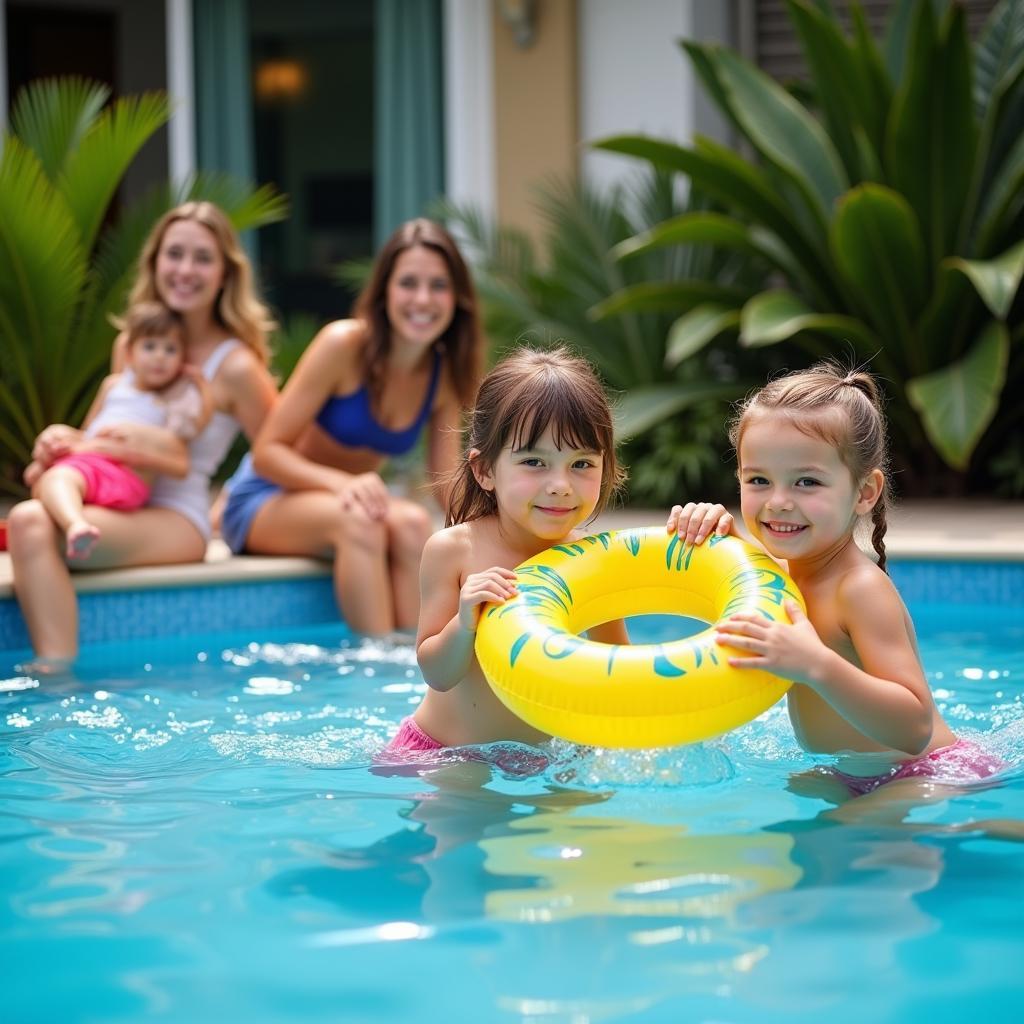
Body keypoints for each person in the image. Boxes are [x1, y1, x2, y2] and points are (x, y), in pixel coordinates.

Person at [668, 362, 1003, 795]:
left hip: (924, 772)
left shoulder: (859, 590)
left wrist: (815, 665)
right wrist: (715, 530)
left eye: (807, 481)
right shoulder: (776, 576)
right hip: (846, 774)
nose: (779, 502)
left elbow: (915, 726)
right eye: (759, 480)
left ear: (864, 493)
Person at [8, 200, 279, 665]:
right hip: (112, 500)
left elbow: (277, 453)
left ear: (224, 274)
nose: (185, 270)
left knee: (30, 523)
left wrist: (229, 506)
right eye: (174, 254)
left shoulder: (236, 366)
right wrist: (60, 442)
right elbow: (108, 432)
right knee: (28, 518)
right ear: (154, 263)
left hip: (175, 517)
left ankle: (56, 673)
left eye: (203, 258)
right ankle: (55, 677)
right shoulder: (131, 345)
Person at [221, 218, 484, 635]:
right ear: (384, 291)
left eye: (438, 285)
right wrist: (341, 484)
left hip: (351, 502)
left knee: (415, 523)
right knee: (361, 523)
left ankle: (418, 659)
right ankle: (373, 670)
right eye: (408, 283)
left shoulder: (443, 374)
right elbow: (268, 453)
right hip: (265, 498)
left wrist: (501, 528)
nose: (422, 299)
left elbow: (443, 483)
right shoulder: (343, 345)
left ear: (457, 298)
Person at [385, 346, 629, 757]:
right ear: (484, 471)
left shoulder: (594, 562)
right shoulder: (455, 551)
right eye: (535, 462)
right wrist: (465, 622)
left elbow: (618, 671)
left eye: (582, 464)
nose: (560, 484)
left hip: (545, 758)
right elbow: (437, 674)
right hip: (445, 755)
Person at [25, 302, 213, 561]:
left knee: (60, 478)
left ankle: (75, 525)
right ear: (129, 353)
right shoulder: (113, 386)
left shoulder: (168, 404)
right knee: (51, 473)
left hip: (124, 476)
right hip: (90, 463)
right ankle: (68, 510)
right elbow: (88, 432)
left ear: (182, 361)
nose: (160, 356)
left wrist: (200, 386)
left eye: (170, 350)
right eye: (150, 346)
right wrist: (63, 436)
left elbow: (194, 427)